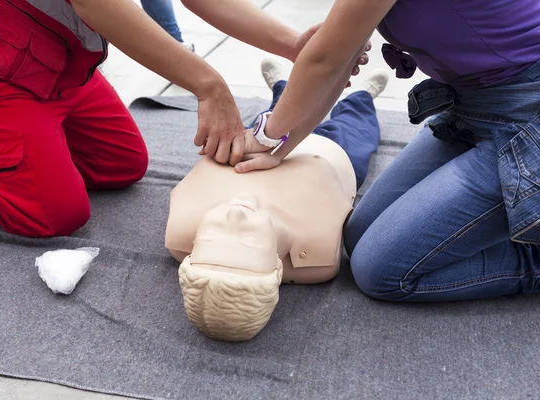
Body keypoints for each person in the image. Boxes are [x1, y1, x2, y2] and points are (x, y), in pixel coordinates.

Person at [0, 0, 369, 237]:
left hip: (56, 59)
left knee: (121, 164)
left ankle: (14, 146)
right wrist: (207, 84)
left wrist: (291, 43)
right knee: (54, 216)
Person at [229, 0, 540, 302]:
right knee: (356, 236)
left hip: (526, 116)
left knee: (380, 271)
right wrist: (280, 145)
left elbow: (325, 61)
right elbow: (336, 58)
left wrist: (268, 136)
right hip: (475, 108)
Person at [165, 60, 389, 341]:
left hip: (248, 154)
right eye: (249, 238)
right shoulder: (317, 259)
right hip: (330, 154)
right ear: (276, 266)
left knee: (274, 117)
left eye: (211, 234)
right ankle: (361, 98)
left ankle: (284, 88)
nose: (235, 216)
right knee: (355, 129)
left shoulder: (179, 240)